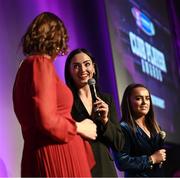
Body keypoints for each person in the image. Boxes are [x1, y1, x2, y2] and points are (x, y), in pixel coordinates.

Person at [13, 12, 97, 177]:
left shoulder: (25, 68)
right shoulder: (40, 63)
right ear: (55, 38)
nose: (60, 49)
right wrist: (79, 127)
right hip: (57, 155)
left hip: (41, 153)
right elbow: (47, 120)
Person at [64, 48, 125, 177]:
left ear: (94, 68)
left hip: (105, 169)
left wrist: (105, 121)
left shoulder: (106, 99)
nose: (83, 70)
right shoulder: (65, 100)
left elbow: (119, 143)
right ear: (69, 72)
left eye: (87, 64)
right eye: (76, 66)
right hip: (79, 166)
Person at [113, 83, 166, 177]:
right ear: (128, 102)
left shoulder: (155, 128)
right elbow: (122, 162)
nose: (144, 102)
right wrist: (151, 159)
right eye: (138, 98)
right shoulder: (123, 128)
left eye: (147, 98)